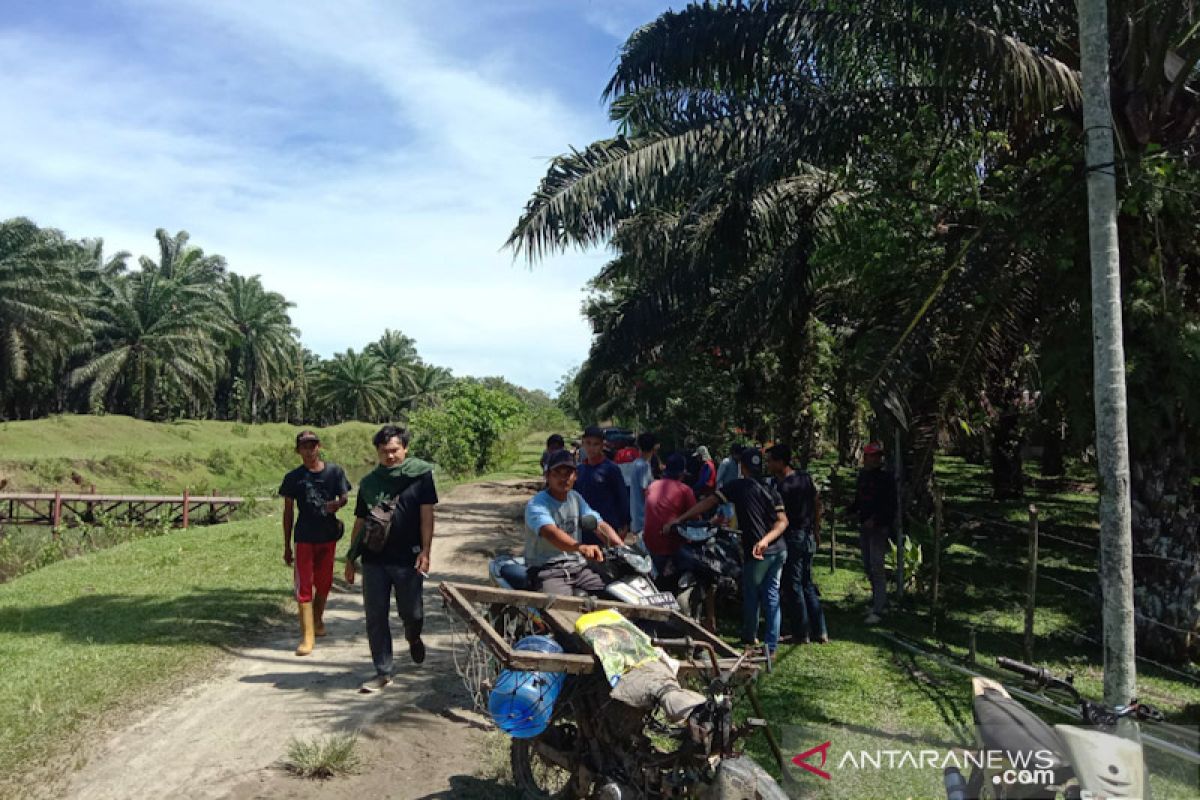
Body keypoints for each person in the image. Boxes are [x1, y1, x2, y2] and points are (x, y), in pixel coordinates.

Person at [344, 424, 437, 693]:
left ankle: (413, 636)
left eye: (395, 450)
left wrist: (426, 551)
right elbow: (361, 521)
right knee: (375, 616)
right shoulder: (370, 483)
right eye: (384, 451)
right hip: (375, 559)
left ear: (405, 449)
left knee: (412, 612)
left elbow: (427, 516)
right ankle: (382, 672)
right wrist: (351, 558)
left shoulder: (420, 475)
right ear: (377, 452)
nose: (390, 456)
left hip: (408, 557)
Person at [670, 447, 788, 653]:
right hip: (779, 550)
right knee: (771, 595)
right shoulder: (771, 488)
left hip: (758, 552)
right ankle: (771, 644)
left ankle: (750, 636)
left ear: (742, 467)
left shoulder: (738, 486)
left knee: (752, 594)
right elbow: (783, 521)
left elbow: (708, 502)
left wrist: (681, 518)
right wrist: (768, 540)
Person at [278, 430, 351, 657]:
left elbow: (345, 495)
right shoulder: (293, 478)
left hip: (328, 536)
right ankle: (307, 636)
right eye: (304, 446)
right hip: (304, 538)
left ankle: (318, 619)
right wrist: (287, 545)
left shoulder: (335, 472)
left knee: (325, 582)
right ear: (298, 450)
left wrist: (338, 505)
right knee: (304, 588)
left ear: (319, 447)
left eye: (313, 445)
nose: (309, 450)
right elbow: (288, 512)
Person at [524, 449, 624, 595]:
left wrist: (622, 548)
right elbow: (551, 533)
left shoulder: (575, 498)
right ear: (547, 476)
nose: (563, 478)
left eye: (568, 473)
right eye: (557, 473)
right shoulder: (537, 504)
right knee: (560, 611)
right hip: (547, 570)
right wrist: (581, 547)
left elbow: (598, 523)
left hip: (578, 568)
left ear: (575, 476)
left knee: (614, 593)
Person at [766, 444, 828, 644]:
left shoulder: (783, 487)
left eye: (771, 461)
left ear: (781, 462)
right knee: (807, 583)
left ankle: (801, 633)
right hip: (808, 535)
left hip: (794, 537)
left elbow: (776, 515)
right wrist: (817, 529)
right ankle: (820, 630)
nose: (768, 465)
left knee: (793, 585)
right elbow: (817, 503)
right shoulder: (805, 478)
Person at [851, 442, 897, 624]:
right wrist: (849, 511)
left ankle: (878, 609)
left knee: (877, 567)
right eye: (872, 456)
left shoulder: (886, 478)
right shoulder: (863, 476)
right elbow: (859, 500)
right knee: (868, 566)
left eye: (878, 456)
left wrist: (876, 520)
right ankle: (876, 601)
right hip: (865, 526)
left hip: (879, 528)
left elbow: (890, 505)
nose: (875, 459)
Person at [641, 453, 697, 576]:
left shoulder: (653, 485)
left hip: (649, 542)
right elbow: (696, 518)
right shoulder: (685, 490)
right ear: (682, 473)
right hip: (669, 546)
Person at [576, 425, 630, 542]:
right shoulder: (579, 470)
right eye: (588, 443)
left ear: (602, 445)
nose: (591, 448)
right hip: (584, 527)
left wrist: (624, 523)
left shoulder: (611, 469)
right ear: (583, 444)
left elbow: (622, 497)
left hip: (606, 526)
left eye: (596, 444)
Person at [627, 433, 658, 538]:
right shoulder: (644, 466)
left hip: (636, 513)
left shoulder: (636, 463)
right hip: (643, 516)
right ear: (654, 448)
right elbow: (646, 491)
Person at [714, 443, 744, 524]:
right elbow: (718, 479)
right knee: (723, 517)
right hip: (724, 495)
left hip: (735, 496)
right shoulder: (726, 462)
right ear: (734, 453)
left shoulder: (739, 464)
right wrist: (720, 495)